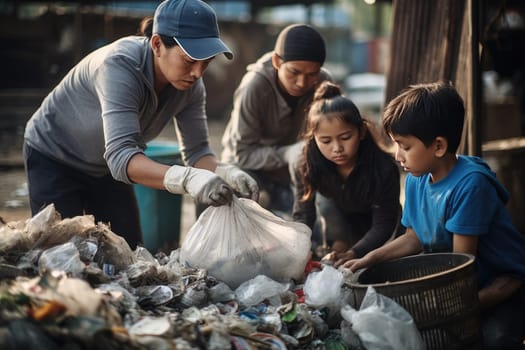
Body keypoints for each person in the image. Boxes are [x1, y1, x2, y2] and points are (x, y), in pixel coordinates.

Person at [23, 0, 258, 249]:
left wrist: (227, 172)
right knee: (63, 255)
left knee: (128, 254)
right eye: (190, 60)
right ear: (157, 44)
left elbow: (198, 152)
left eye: (207, 62)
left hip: (105, 166)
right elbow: (122, 157)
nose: (198, 73)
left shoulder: (191, 87)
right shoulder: (120, 65)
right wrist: (188, 179)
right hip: (54, 155)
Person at [345, 81, 525, 349]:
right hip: (463, 282)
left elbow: (460, 265)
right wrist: (368, 259)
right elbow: (413, 237)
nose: (397, 156)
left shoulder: (471, 186)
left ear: (438, 146)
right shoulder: (418, 177)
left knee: (492, 341)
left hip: (502, 285)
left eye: (404, 146)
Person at [221, 23, 333, 217]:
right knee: (251, 205)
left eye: (311, 74)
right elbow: (242, 153)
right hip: (247, 170)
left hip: (296, 175)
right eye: (294, 72)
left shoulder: (323, 85)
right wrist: (287, 154)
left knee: (318, 223)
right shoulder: (254, 87)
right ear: (276, 61)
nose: (302, 83)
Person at [292, 81, 402, 262]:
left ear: (362, 131)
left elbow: (384, 224)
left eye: (345, 137)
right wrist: (299, 250)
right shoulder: (307, 165)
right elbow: (304, 214)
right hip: (344, 226)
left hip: (385, 234)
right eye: (326, 141)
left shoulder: (383, 168)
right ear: (314, 139)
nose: (337, 148)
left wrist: (354, 253)